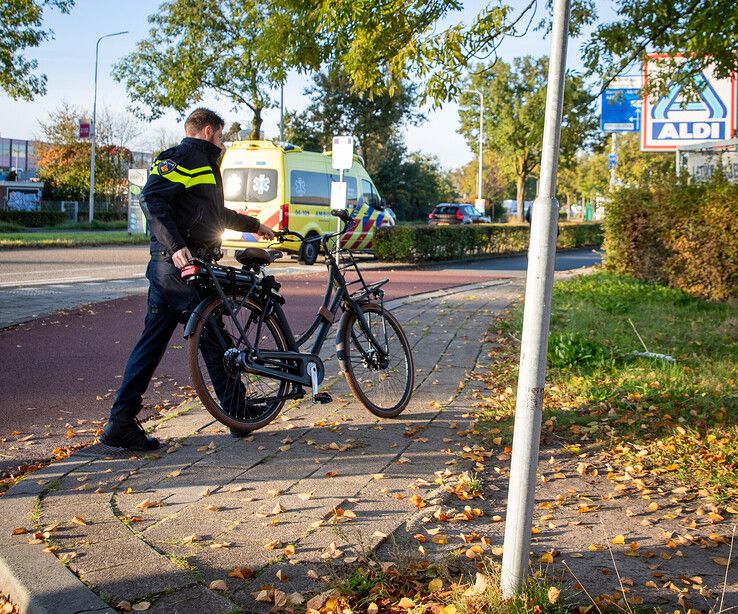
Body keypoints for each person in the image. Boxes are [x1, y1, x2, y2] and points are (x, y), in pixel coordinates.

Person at [100, 108, 274, 451]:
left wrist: (255, 226)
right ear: (208, 131)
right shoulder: (183, 158)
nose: (222, 142)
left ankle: (120, 422)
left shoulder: (204, 164)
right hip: (180, 269)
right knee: (213, 336)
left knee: (151, 345)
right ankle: (237, 411)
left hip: (175, 270)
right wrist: (177, 247)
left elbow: (214, 214)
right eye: (221, 136)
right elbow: (151, 198)